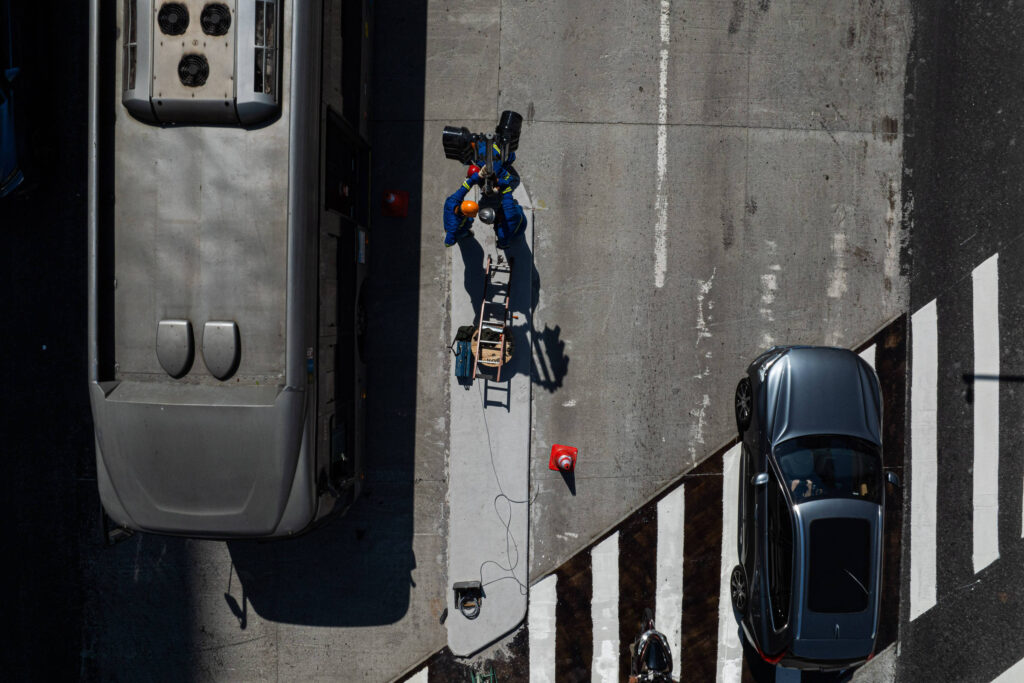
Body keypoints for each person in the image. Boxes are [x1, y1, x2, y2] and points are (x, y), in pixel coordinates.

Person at [443, 150, 527, 249]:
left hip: (518, 229)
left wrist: (479, 176)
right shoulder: (453, 226)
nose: (499, 208)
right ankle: (465, 233)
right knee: (463, 231)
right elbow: (447, 243)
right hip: (520, 217)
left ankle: (466, 233)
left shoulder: (452, 201)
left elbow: (465, 186)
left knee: (510, 227)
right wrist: (497, 182)